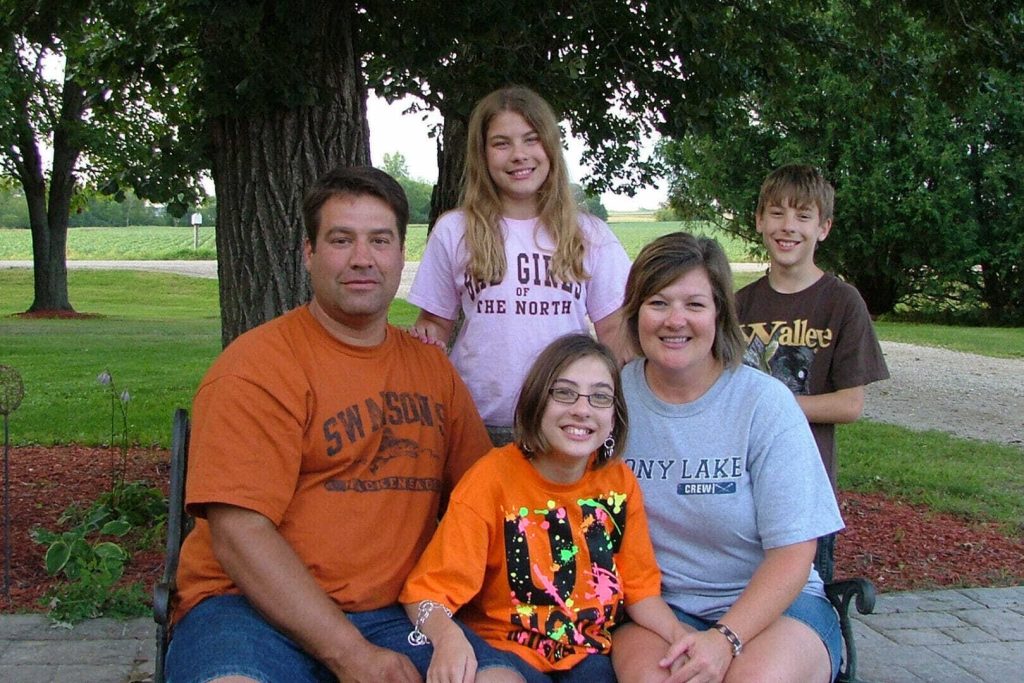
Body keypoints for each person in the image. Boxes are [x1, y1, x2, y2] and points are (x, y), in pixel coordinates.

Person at [165, 166, 493, 683]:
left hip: (394, 612)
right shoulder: (257, 368)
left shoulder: (432, 371)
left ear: (400, 254)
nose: (362, 258)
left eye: (379, 241)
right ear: (309, 253)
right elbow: (238, 534)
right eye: (341, 240)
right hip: (248, 609)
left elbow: (484, 500)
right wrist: (351, 656)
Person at [612, 233, 845, 683]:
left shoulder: (765, 404)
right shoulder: (610, 401)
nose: (675, 320)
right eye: (658, 303)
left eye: (695, 305)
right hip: (657, 608)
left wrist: (725, 640)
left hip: (775, 607)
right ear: (635, 311)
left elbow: (795, 552)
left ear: (720, 314)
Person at [400, 334, 687, 683]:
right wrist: (447, 639)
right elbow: (426, 595)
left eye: (600, 397)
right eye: (564, 392)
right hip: (505, 650)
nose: (582, 409)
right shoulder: (491, 480)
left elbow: (640, 592)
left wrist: (681, 638)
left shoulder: (618, 483)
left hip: (589, 655)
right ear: (537, 401)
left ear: (614, 416)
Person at [407, 86, 632, 445]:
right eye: (501, 143)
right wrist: (425, 341)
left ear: (550, 148)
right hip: (477, 421)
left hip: (564, 422)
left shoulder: (590, 234)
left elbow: (615, 328)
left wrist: (613, 403)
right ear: (482, 154)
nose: (518, 155)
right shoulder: (454, 230)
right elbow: (434, 324)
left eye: (531, 140)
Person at [735, 164, 889, 581]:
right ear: (760, 220)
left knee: (803, 600)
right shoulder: (736, 306)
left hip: (805, 489)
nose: (788, 227)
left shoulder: (841, 302)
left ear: (823, 228)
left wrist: (776, 405)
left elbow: (851, 404)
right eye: (777, 213)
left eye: (803, 216)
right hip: (737, 487)